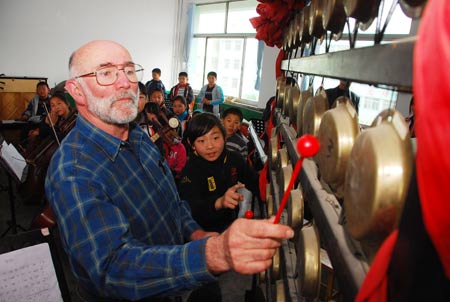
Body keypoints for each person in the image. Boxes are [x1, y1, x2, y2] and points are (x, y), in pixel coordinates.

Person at [45, 40, 294, 302]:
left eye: (129, 71)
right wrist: (213, 254)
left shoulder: (140, 138)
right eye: (106, 73)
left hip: (174, 279)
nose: (124, 83)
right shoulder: (73, 171)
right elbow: (112, 270)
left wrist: (195, 233)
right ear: (76, 91)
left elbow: (172, 203)